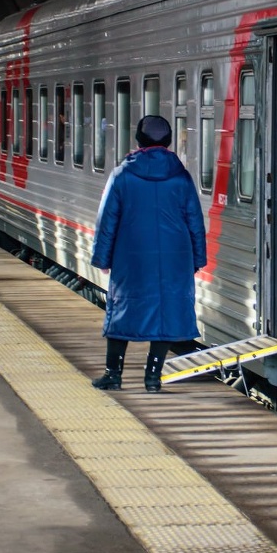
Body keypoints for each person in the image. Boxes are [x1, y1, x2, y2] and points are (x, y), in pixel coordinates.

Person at [89, 115, 207, 392]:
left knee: (121, 311)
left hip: (131, 257)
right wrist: (198, 258)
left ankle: (113, 375)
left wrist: (102, 259)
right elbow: (194, 221)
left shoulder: (122, 175)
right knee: (166, 315)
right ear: (167, 142)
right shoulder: (181, 177)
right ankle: (152, 379)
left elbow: (107, 222)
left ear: (139, 141)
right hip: (175, 257)